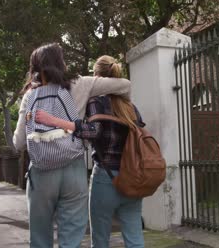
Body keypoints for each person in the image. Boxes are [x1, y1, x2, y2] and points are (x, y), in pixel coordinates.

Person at [13, 44, 131, 248]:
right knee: (72, 237)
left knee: (40, 237)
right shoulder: (81, 84)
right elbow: (125, 85)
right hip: (73, 171)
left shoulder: (30, 96)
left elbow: (19, 142)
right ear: (61, 63)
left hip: (41, 173)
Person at [35, 55, 145, 248]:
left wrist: (61, 123)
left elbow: (93, 132)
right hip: (133, 176)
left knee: (100, 239)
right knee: (135, 237)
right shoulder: (131, 107)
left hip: (106, 177)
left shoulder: (97, 101)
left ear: (98, 76)